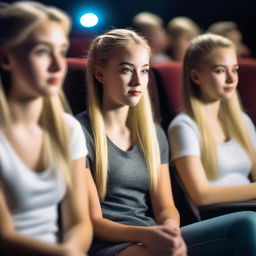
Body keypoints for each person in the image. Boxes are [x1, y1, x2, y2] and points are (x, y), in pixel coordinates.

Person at [77, 28, 256, 256]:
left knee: (246, 223)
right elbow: (93, 220)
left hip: (152, 235)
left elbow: (166, 208)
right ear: (99, 74)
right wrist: (147, 235)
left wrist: (170, 228)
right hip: (110, 243)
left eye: (143, 71)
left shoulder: (153, 133)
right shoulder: (80, 131)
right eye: (126, 70)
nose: (137, 81)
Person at [0, 2, 92, 255]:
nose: (57, 65)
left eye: (61, 51)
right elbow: (4, 237)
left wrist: (72, 250)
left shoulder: (67, 128)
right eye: (42, 52)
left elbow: (80, 222)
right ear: (7, 58)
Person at [168, 33, 256, 208]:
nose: (231, 79)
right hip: (219, 215)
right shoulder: (184, 126)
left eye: (235, 69)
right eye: (220, 70)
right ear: (196, 77)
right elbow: (201, 196)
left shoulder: (242, 120)